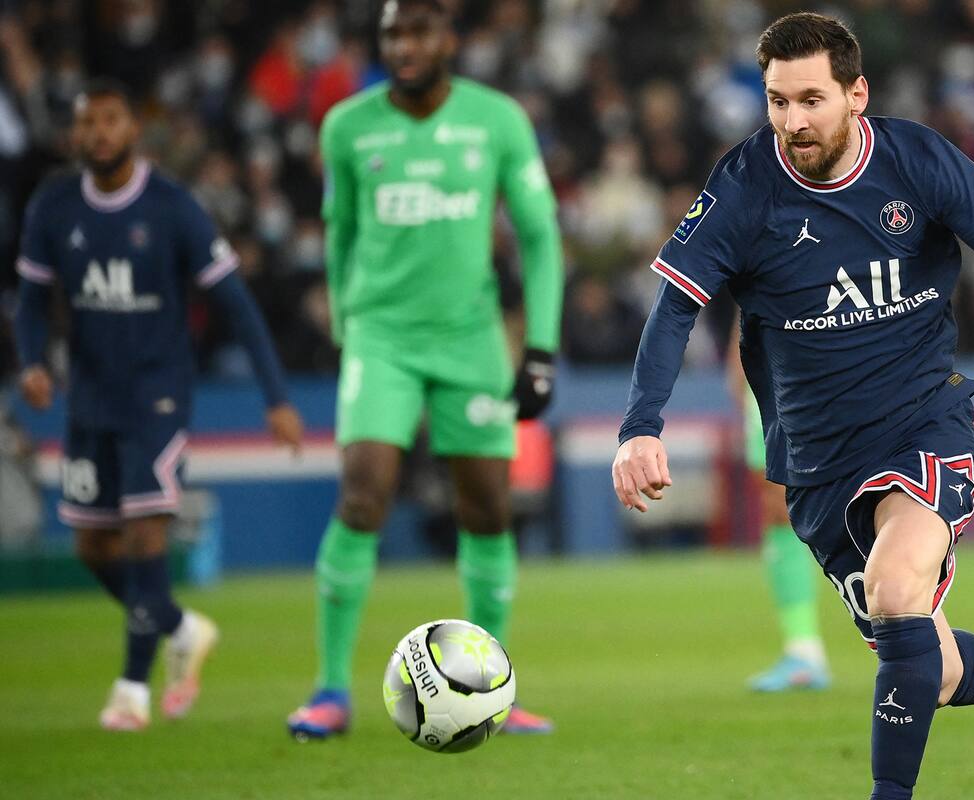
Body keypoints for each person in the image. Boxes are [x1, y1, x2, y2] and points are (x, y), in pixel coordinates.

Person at [612, 13, 974, 799]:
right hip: (817, 465)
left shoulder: (916, 160)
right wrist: (640, 426)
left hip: (924, 424)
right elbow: (675, 306)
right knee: (934, 670)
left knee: (893, 591)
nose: (792, 121)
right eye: (777, 102)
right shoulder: (745, 185)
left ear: (857, 93)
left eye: (810, 100)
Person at [286, 0, 563, 740]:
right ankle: (329, 689)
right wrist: (349, 326)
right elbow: (339, 232)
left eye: (418, 32)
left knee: (487, 509)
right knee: (364, 493)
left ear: (450, 39)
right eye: (391, 35)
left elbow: (539, 237)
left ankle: (491, 688)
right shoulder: (347, 125)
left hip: (470, 340)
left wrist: (538, 347)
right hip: (381, 337)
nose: (404, 46)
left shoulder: (498, 119)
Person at [14, 79, 304, 731]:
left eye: (111, 120)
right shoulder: (54, 206)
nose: (99, 134)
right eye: (88, 123)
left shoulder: (172, 208)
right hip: (89, 398)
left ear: (132, 129)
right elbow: (32, 299)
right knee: (93, 547)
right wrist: (32, 361)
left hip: (158, 395)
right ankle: (177, 625)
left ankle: (130, 691)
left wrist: (277, 397)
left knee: (147, 530)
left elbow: (238, 304)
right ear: (75, 134)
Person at [728, 320, 830, 691]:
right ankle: (803, 649)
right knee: (778, 505)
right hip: (772, 360)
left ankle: (910, 632)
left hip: (812, 356)